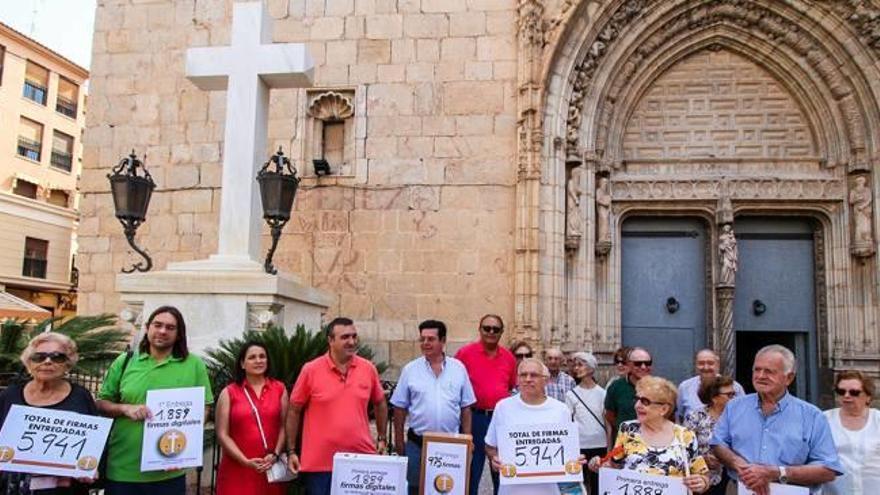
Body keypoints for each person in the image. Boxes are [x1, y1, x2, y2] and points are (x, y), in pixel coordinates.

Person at [97, 305, 214, 495]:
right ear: (147, 327)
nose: (162, 331)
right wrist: (125, 409)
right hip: (123, 469)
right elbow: (101, 403)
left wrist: (184, 450)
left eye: (170, 327)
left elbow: (204, 407)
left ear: (179, 334)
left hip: (169, 472)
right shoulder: (125, 361)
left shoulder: (194, 365)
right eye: (157, 325)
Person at [711, 345, 842, 494]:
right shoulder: (735, 407)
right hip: (740, 488)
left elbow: (828, 470)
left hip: (790, 490)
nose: (760, 376)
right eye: (757, 369)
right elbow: (717, 442)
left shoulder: (812, 416)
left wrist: (777, 472)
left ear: (789, 378)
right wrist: (742, 466)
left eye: (769, 371)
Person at [286, 317, 388, 494]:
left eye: (354, 336)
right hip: (320, 465)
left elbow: (380, 403)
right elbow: (294, 410)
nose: (352, 341)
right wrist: (291, 451)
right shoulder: (310, 370)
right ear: (330, 340)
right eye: (345, 337)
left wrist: (381, 437)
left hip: (360, 460)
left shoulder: (368, 368)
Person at [0, 332, 97, 495]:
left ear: (68, 364)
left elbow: (94, 444)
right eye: (39, 357)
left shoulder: (81, 397)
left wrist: (90, 470)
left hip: (63, 489)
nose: (47, 361)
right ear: (29, 363)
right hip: (14, 487)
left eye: (57, 357)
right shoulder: (10, 395)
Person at [391, 320, 476, 495]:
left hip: (450, 446)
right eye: (422, 339)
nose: (425, 343)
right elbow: (399, 408)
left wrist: (467, 438)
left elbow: (466, 406)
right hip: (417, 444)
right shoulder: (410, 370)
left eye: (431, 339)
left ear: (443, 341)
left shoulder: (458, 368)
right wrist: (399, 441)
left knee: (448, 488)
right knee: (415, 488)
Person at [589, 376, 710, 493]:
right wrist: (599, 465)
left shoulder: (685, 435)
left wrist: (702, 482)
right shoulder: (628, 429)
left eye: (645, 402)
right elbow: (614, 465)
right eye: (637, 399)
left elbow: (702, 473)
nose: (637, 406)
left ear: (664, 409)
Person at [486, 358, 584, 495]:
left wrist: (575, 460)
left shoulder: (561, 410)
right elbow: (490, 445)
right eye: (523, 375)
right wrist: (494, 458)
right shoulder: (503, 407)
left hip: (549, 490)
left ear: (546, 380)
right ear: (517, 380)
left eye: (534, 375)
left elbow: (568, 450)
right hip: (512, 489)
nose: (528, 379)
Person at [215, 342, 288, 495]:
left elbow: (284, 426)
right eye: (252, 357)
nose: (258, 361)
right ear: (242, 364)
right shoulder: (229, 392)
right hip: (237, 469)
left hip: (270, 468)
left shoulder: (279, 389)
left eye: (262, 357)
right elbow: (222, 434)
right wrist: (244, 461)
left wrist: (275, 454)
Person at [455, 314, 517, 495]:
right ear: (480, 329)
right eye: (487, 328)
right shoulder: (465, 354)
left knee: (502, 470)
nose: (491, 332)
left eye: (495, 329)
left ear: (501, 332)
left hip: (500, 422)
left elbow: (511, 386)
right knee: (471, 471)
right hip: (473, 419)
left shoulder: (509, 358)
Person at [821, 370, 880, 494]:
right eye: (841, 392)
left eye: (854, 392)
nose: (846, 396)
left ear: (868, 396)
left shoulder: (878, 420)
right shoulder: (824, 420)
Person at [683, 375, 737, 495]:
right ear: (714, 397)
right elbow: (683, 447)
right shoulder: (696, 417)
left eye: (734, 394)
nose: (734, 398)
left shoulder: (739, 418)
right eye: (729, 395)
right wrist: (702, 459)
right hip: (701, 478)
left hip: (731, 478)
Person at [565, 352, 606, 495]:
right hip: (579, 444)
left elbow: (606, 420)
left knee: (598, 484)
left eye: (580, 364)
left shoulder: (602, 393)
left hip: (600, 444)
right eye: (575, 365)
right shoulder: (571, 394)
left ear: (590, 368)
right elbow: (568, 421)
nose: (576, 368)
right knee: (579, 483)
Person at [676, 349, 744, 421]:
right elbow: (679, 416)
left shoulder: (735, 387)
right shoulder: (684, 387)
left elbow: (743, 413)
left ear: (718, 365)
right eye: (701, 363)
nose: (706, 367)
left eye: (710, 363)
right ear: (696, 365)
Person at [604, 347, 652, 446]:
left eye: (647, 363)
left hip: (652, 443)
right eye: (638, 364)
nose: (643, 367)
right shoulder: (616, 387)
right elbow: (610, 416)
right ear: (629, 365)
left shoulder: (659, 387)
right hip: (624, 444)